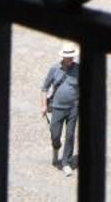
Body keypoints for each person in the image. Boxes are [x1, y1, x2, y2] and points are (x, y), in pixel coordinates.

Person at [42, 44, 80, 175]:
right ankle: (56, 148)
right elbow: (44, 88)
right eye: (68, 57)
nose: (70, 59)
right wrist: (43, 105)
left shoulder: (78, 69)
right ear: (63, 56)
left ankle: (66, 162)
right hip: (57, 108)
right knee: (55, 135)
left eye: (72, 56)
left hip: (73, 108)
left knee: (70, 136)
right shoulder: (54, 69)